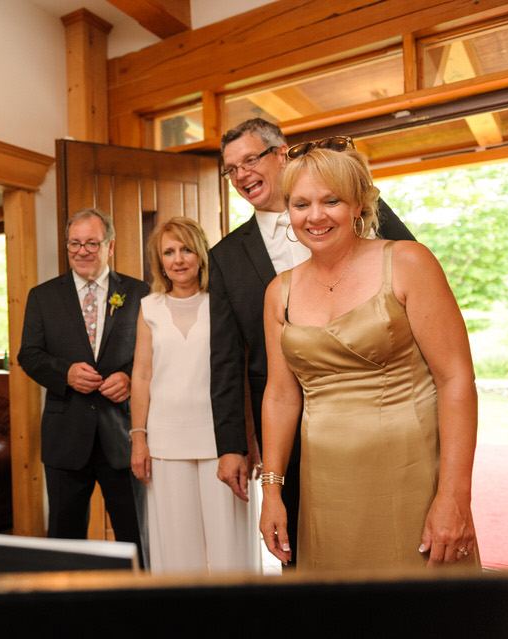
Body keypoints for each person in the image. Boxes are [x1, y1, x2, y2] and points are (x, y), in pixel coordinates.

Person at [258, 146, 480, 570]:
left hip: (411, 476)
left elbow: (456, 380)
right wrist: (272, 494)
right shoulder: (278, 292)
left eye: (331, 201)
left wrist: (454, 494)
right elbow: (281, 396)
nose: (315, 216)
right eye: (301, 204)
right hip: (325, 490)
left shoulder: (408, 262)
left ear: (358, 203)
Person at [208, 118, 416, 567]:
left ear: (281, 153)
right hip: (287, 423)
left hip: (388, 417)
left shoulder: (362, 211)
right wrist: (231, 444)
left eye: (250, 160)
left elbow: (414, 299)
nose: (241, 174)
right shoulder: (224, 256)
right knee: (302, 551)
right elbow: (225, 356)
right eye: (231, 169)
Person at [18, 208, 149, 564]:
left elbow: (156, 354)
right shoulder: (42, 297)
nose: (82, 251)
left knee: (135, 533)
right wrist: (65, 374)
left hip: (123, 434)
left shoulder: (140, 293)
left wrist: (130, 379)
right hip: (65, 434)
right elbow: (28, 355)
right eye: (74, 243)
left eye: (92, 243)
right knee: (64, 538)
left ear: (110, 245)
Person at [130, 217, 258, 573]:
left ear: (201, 254)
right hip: (165, 441)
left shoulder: (222, 304)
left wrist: (249, 439)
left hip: (221, 441)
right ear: (160, 261)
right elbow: (141, 376)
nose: (179, 258)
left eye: (186, 249)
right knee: (176, 547)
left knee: (229, 544)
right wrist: (138, 439)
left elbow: (239, 376)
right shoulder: (148, 308)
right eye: (169, 252)